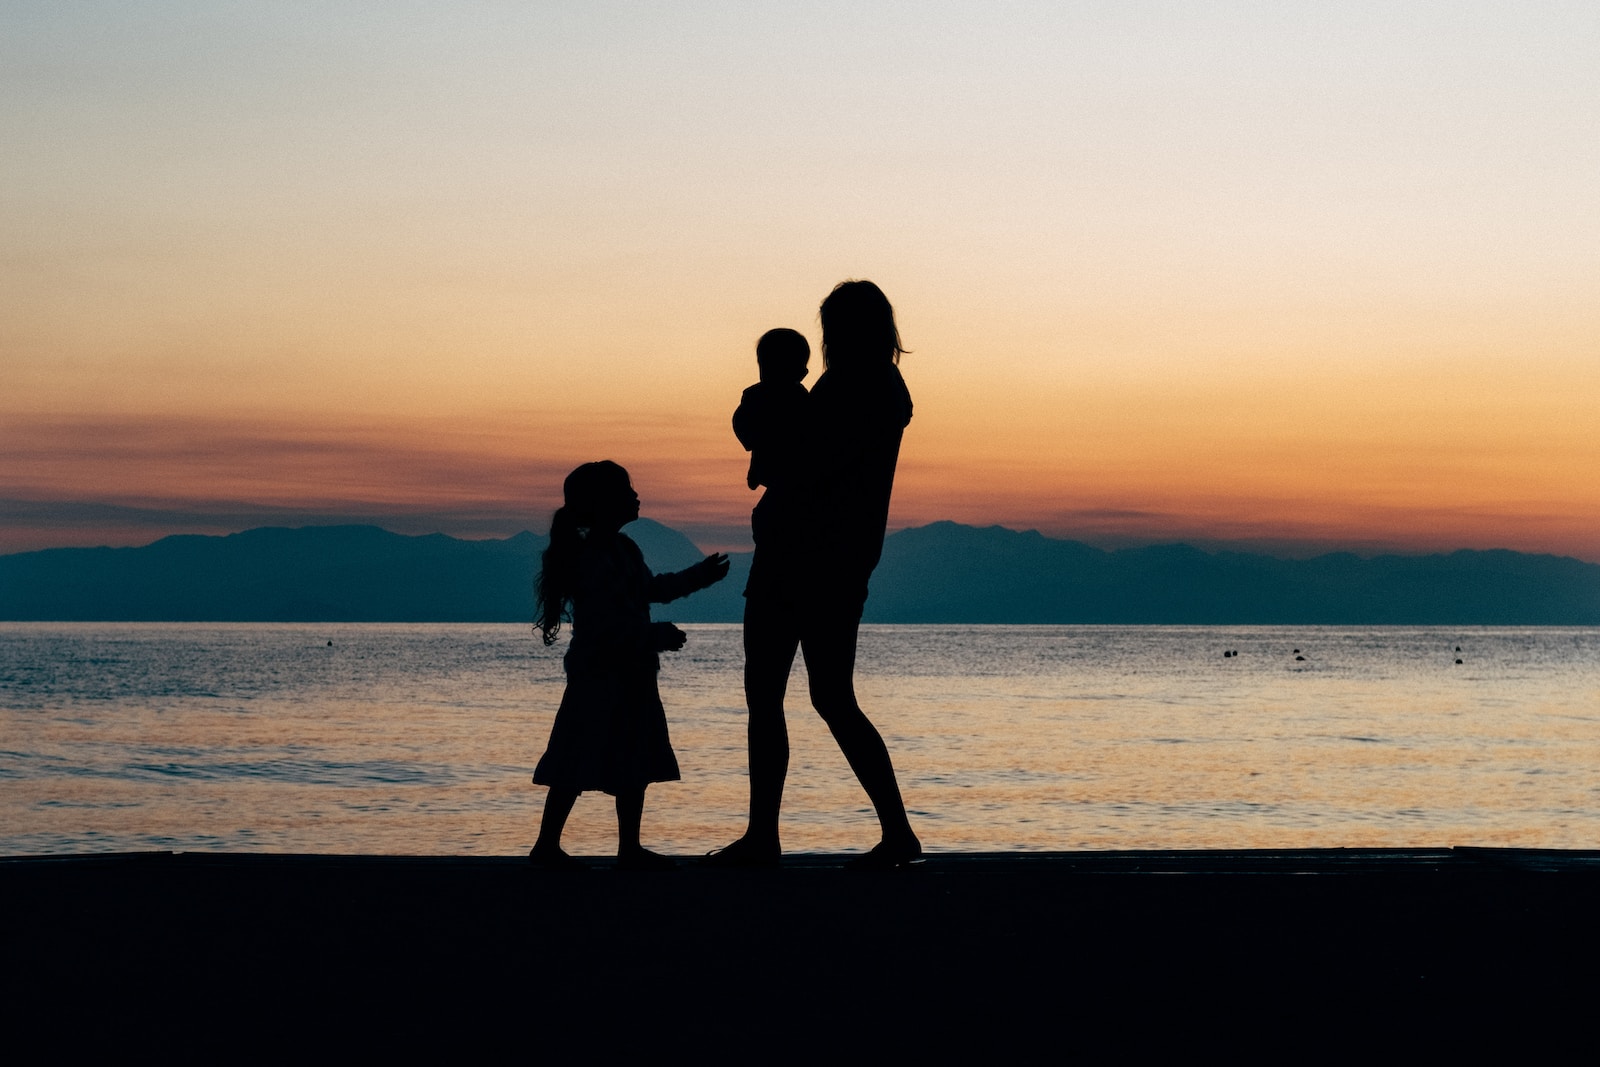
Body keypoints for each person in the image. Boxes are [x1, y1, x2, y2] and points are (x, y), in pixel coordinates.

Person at [709, 280, 922, 869]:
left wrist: (771, 447)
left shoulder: (867, 387)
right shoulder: (851, 385)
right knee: (800, 696)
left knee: (805, 697)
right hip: (816, 556)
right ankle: (769, 835)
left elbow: (813, 463)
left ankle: (782, 836)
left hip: (817, 558)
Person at [529, 460, 729, 870]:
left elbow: (650, 589)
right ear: (602, 503)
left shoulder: (622, 550)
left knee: (631, 759)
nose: (636, 496)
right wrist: (653, 637)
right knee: (575, 758)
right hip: (598, 675)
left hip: (632, 674)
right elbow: (605, 626)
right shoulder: (591, 559)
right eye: (626, 490)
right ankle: (547, 846)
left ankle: (629, 847)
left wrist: (698, 576)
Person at [733, 327, 810, 494]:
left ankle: (756, 470)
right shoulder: (756, 395)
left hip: (787, 463)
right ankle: (756, 470)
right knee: (762, 448)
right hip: (780, 461)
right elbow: (740, 421)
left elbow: (740, 421)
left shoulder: (797, 397)